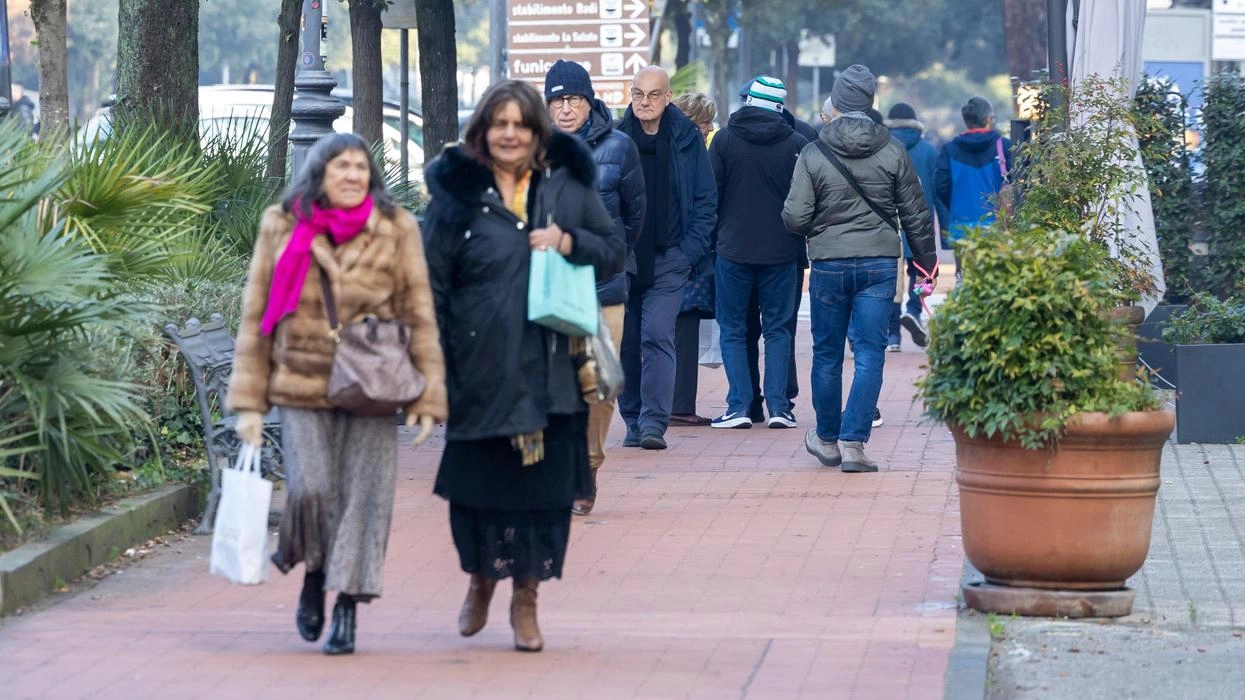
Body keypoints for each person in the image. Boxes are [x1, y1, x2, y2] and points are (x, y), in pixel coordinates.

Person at [423, 80, 623, 652]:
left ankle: (526, 598)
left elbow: (613, 249)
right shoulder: (457, 194)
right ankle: (482, 579)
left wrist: (568, 240)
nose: (509, 133)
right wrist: (435, 359)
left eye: (520, 124)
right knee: (477, 490)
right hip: (478, 366)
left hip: (551, 366)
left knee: (543, 493)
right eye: (499, 124)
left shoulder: (567, 185)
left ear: (537, 132)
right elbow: (431, 282)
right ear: (483, 131)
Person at [228, 133, 447, 655]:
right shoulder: (282, 224)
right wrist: (249, 403)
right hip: (301, 382)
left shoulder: (395, 228)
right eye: (341, 166)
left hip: (373, 381)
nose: (352, 175)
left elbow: (419, 312)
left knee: (365, 498)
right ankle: (314, 574)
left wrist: (426, 396)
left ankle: (346, 604)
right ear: (319, 173)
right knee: (312, 490)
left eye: (360, 167)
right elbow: (257, 315)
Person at [782, 65, 937, 473]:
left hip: (830, 264)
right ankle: (854, 444)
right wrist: (926, 264)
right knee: (870, 354)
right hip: (880, 264)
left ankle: (827, 439)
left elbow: (795, 218)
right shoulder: (893, 151)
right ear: (870, 104)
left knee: (827, 354)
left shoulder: (813, 152)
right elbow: (917, 216)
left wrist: (821, 226)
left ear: (836, 102)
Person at [542, 59, 645, 515]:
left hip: (603, 286)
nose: (566, 109)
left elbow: (635, 216)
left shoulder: (620, 147)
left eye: (574, 99)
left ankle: (588, 465)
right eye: (557, 100)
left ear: (589, 101)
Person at [616, 66, 717, 450]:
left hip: (670, 257)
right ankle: (631, 418)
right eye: (638, 94)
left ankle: (653, 423)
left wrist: (690, 250)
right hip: (624, 258)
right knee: (625, 340)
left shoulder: (687, 137)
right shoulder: (616, 137)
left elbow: (707, 199)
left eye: (653, 95)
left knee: (657, 334)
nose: (644, 102)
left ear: (668, 97)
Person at [708, 76, 807, 430]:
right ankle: (779, 407)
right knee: (779, 330)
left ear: (749, 100)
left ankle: (739, 406)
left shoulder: (723, 141)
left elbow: (710, 196)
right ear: (779, 105)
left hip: (732, 249)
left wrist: (713, 239)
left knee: (733, 329)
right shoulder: (797, 144)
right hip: (781, 251)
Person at [669, 91, 717, 427]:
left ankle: (667, 402)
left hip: (676, 251)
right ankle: (680, 403)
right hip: (687, 253)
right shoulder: (691, 153)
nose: (710, 128)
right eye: (704, 123)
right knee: (682, 329)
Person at [935, 96, 1013, 278]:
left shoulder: (950, 149)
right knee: (995, 277)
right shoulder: (1004, 146)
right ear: (988, 119)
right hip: (997, 226)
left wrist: (955, 205)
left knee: (964, 276)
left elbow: (940, 186)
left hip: (962, 225)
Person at [885, 102, 941, 350]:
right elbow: (939, 192)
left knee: (892, 281)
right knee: (920, 274)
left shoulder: (883, 149)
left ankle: (892, 335)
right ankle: (914, 308)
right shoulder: (929, 151)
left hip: (889, 223)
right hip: (920, 224)